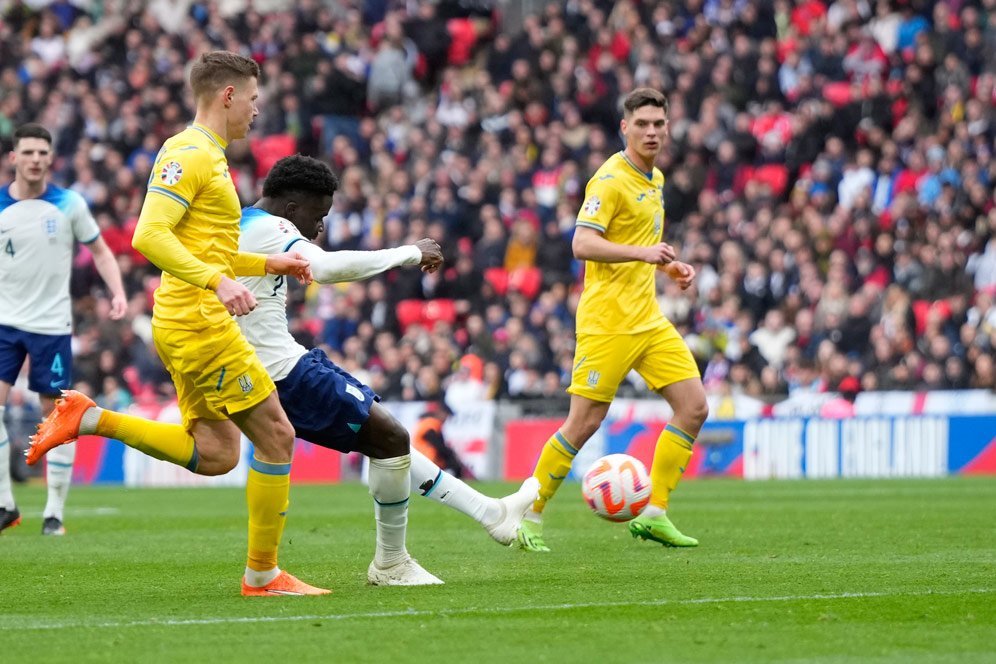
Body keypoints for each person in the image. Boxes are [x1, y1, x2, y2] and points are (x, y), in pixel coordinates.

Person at [26, 52, 325, 596]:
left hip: (186, 319)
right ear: (228, 96)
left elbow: (202, 247)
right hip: (198, 321)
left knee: (217, 454)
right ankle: (262, 575)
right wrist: (218, 284)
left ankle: (91, 420)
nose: (258, 112)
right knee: (278, 435)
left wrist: (263, 265)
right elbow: (148, 236)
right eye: (254, 99)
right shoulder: (188, 153)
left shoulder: (210, 155)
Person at [236, 155, 539, 585]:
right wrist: (408, 253)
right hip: (280, 371)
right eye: (318, 215)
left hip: (273, 364)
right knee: (391, 437)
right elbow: (324, 268)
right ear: (291, 207)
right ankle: (392, 564)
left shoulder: (246, 223)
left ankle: (491, 513)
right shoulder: (274, 228)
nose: (320, 226)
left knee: (386, 442)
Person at [516, 88, 709, 552]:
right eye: (642, 123)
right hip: (607, 322)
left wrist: (668, 266)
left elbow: (641, 241)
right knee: (583, 423)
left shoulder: (656, 178)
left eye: (658, 124)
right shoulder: (609, 180)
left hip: (648, 318)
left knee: (694, 407)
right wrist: (645, 254)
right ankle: (529, 516)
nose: (651, 132)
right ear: (625, 127)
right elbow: (582, 244)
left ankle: (655, 514)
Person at [0, 123, 128, 536]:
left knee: (55, 419)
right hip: (4, 322)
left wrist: (118, 293)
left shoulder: (70, 204)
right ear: (13, 158)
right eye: (28, 152)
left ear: (51, 158)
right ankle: (5, 504)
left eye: (42, 152)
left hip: (51, 327)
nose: (36, 159)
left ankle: (53, 512)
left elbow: (102, 252)